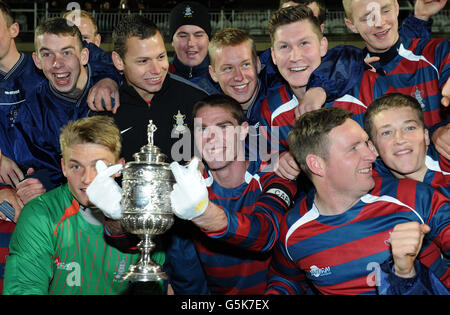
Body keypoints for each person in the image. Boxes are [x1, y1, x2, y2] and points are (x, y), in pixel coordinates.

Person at [266, 107, 449, 295]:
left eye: (366, 143)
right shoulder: (293, 230)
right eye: (354, 148)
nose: (372, 155)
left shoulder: (413, 196)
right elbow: (286, 280)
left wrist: (406, 274)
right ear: (317, 165)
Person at [3, 116, 165, 294]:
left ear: (119, 168)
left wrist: (122, 220)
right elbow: (24, 289)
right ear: (63, 167)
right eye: (76, 167)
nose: (86, 179)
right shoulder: (41, 215)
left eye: (99, 166)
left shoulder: (145, 218)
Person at [167, 94, 298, 294]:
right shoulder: (190, 184)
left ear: (243, 131)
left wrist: (205, 213)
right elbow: (185, 269)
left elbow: (266, 233)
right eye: (202, 129)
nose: (211, 138)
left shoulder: (271, 174)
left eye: (223, 127)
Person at [101, 14, 208, 163]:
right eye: (143, 61)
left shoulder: (198, 101)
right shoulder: (103, 112)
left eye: (161, 57)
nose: (157, 70)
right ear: (119, 61)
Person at [363, 93, 449, 196]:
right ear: (373, 148)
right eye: (387, 133)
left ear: (426, 136)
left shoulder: (446, 161)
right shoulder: (370, 189)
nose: (400, 139)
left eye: (410, 128)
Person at [168, 1, 211, 81]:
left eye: (198, 35)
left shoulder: (225, 78)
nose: (190, 43)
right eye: (183, 36)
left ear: (208, 40)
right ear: (172, 41)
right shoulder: (160, 78)